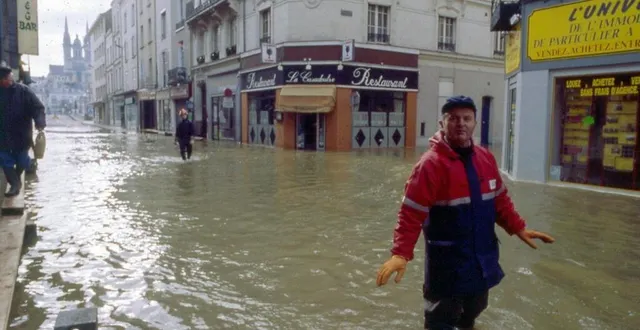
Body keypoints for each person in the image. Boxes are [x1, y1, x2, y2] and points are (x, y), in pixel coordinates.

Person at [375, 96, 555, 329]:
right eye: (453, 118)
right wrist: (400, 253)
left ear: (475, 123)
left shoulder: (486, 158)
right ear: (442, 124)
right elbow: (411, 214)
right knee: (439, 321)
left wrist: (518, 227)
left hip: (481, 262)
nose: (461, 123)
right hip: (446, 266)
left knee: (472, 313)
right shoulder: (429, 165)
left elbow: (499, 200)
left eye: (466, 118)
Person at [0, 66, 46, 197]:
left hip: (21, 134)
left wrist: (40, 122)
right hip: (2, 135)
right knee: (5, 160)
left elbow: (38, 108)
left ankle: (16, 181)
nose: (8, 81)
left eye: (9, 78)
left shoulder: (23, 91)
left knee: (22, 160)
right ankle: (15, 184)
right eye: (4, 79)